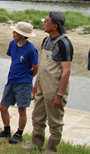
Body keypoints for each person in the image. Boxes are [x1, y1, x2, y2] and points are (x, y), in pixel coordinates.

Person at [23, 12, 73, 153]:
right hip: (42, 86)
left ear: (55, 26)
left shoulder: (64, 43)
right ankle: (36, 144)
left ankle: (51, 149)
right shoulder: (46, 40)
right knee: (37, 116)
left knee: (54, 121)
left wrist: (60, 94)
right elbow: (43, 64)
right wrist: (37, 83)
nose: (44, 23)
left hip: (54, 88)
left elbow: (66, 72)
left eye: (47, 21)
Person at [0, 22, 38, 144]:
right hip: (11, 80)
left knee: (21, 110)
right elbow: (14, 59)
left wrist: (28, 77)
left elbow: (35, 67)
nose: (13, 33)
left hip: (24, 83)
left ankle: (19, 133)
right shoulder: (12, 44)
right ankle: (6, 130)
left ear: (23, 35)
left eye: (15, 32)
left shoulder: (31, 49)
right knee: (3, 107)